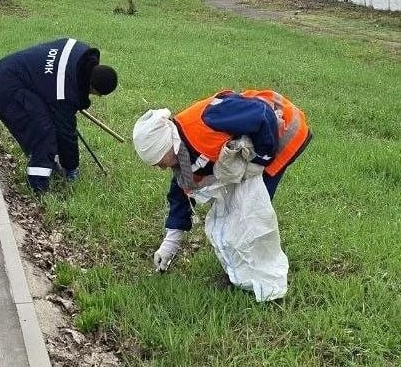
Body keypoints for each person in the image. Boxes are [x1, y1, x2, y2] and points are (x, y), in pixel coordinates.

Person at [132, 89, 312, 272]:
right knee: (235, 210)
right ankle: (239, 268)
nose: (161, 168)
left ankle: (256, 275)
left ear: (167, 147)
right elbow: (183, 188)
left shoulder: (209, 119)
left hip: (282, 131)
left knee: (249, 209)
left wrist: (261, 159)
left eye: (160, 162)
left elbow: (262, 113)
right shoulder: (180, 150)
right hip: (260, 141)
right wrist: (171, 241)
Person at [0, 38, 118, 193]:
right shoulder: (64, 93)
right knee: (43, 132)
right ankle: (38, 188)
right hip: (7, 87)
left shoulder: (81, 51)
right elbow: (66, 133)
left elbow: (52, 82)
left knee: (48, 121)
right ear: (92, 87)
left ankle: (51, 162)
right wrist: (71, 167)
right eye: (95, 94)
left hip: (11, 70)